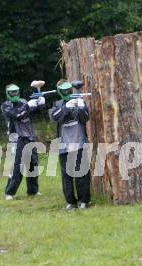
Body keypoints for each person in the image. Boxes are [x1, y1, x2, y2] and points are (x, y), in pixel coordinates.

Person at [49, 80, 91, 210]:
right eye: (64, 90)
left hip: (79, 143)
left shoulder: (79, 101)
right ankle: (70, 202)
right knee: (67, 175)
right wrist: (66, 107)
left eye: (69, 90)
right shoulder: (57, 105)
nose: (67, 92)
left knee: (82, 173)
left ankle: (84, 201)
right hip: (64, 146)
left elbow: (85, 118)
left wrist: (81, 107)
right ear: (59, 92)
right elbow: (54, 117)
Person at [1, 83, 45, 200]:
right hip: (15, 138)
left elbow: (34, 112)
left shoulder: (23, 102)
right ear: (7, 93)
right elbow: (17, 115)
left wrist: (39, 103)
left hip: (28, 135)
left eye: (16, 92)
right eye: (12, 92)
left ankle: (33, 190)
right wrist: (28, 106)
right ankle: (9, 192)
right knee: (18, 166)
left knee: (33, 163)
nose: (14, 94)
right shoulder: (6, 106)